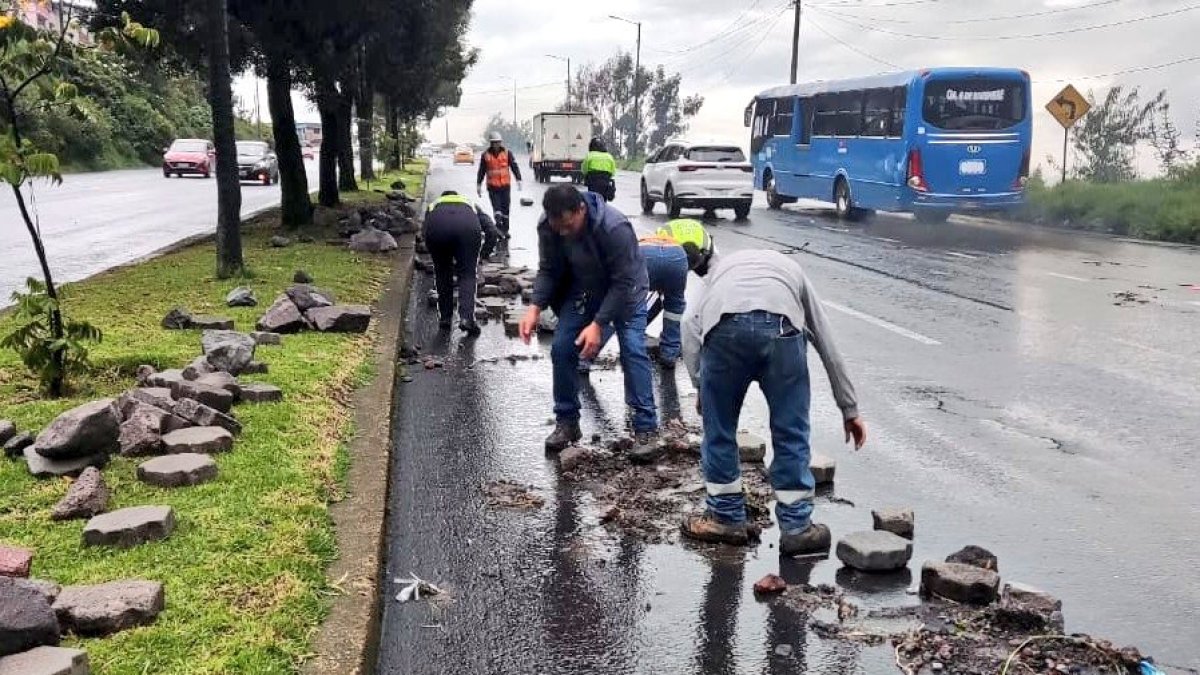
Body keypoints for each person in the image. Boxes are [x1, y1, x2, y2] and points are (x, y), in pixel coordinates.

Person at [679, 249, 868, 556]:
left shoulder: (718, 272)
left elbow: (689, 323)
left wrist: (701, 383)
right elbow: (825, 338)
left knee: (719, 430)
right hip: (783, 332)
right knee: (791, 431)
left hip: (725, 334)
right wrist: (850, 409)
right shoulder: (793, 270)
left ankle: (725, 518)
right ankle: (797, 529)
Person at [518, 185, 659, 460]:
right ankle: (567, 422)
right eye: (558, 227)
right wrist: (535, 306)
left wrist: (598, 324)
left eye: (568, 226)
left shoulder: (614, 227)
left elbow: (623, 282)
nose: (563, 233)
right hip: (584, 288)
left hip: (627, 291)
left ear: (581, 209)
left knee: (632, 349)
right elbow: (549, 269)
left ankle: (646, 429)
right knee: (561, 347)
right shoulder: (548, 226)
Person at [579, 218, 715, 373]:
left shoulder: (640, 244)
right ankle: (669, 354)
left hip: (645, 254)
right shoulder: (702, 244)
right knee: (674, 309)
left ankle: (584, 359)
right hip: (677, 260)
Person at [423, 190, 490, 336]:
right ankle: (466, 319)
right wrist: (484, 254)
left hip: (438, 232)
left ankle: (445, 318)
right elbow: (491, 230)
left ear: (443, 197)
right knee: (467, 275)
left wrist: (435, 253)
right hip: (468, 232)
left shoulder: (434, 206)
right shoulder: (470, 204)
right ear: (458, 196)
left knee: (442, 273)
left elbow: (425, 231)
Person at [477, 131, 523, 238]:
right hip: (493, 187)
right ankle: (498, 228)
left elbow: (514, 166)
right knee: (497, 209)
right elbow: (481, 170)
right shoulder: (486, 155)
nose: (497, 144)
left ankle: (505, 229)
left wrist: (518, 179)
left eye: (498, 142)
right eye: (494, 142)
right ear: (491, 143)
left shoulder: (507, 153)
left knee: (505, 209)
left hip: (505, 186)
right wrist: (479, 184)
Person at [581, 137, 617, 202]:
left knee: (592, 199)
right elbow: (613, 172)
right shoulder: (609, 156)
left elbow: (584, 170)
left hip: (592, 182)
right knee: (604, 200)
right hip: (605, 183)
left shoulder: (590, 155)